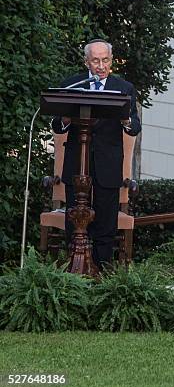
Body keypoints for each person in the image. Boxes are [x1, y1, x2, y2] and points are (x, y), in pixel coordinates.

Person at [51, 39, 141, 269]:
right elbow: (57, 126)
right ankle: (72, 274)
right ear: (86, 62)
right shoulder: (72, 84)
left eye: (105, 60)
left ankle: (102, 276)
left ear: (111, 61)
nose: (101, 65)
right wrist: (65, 118)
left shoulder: (124, 88)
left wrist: (126, 120)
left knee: (105, 226)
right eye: (96, 60)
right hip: (76, 166)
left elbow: (134, 127)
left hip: (107, 166)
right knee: (75, 222)